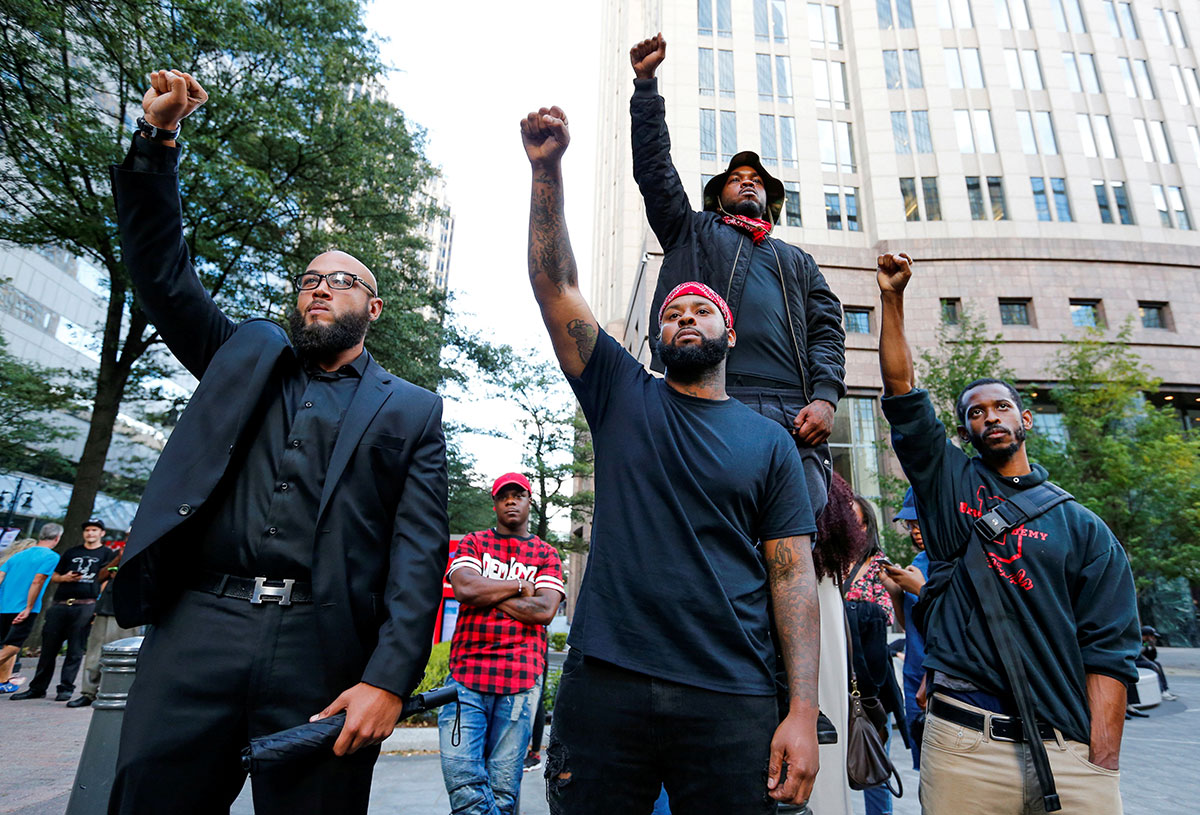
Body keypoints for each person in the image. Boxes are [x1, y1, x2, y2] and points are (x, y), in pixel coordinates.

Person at [105, 70, 448, 814]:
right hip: (198, 627)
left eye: (342, 280)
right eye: (309, 278)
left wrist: (388, 679)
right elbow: (162, 273)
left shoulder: (413, 410)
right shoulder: (244, 358)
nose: (320, 286)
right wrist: (158, 140)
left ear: (374, 308)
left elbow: (418, 555)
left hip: (322, 650)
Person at [521, 104, 820, 813]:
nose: (684, 316)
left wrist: (803, 711)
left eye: (701, 311)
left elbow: (793, 577)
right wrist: (546, 172)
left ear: (730, 334)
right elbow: (557, 287)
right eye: (672, 313)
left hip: (732, 692)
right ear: (657, 338)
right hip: (606, 684)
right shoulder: (621, 393)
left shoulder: (771, 442)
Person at [875, 252, 1141, 813]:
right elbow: (902, 392)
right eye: (975, 412)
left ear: (1025, 420)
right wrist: (892, 299)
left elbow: (1111, 647)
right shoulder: (949, 483)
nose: (990, 416)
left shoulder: (1083, 528)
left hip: (1068, 749)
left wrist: (1100, 758)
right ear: (965, 430)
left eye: (1002, 407)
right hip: (965, 745)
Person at [628, 33, 846, 519]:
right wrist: (646, 87)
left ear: (769, 201)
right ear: (718, 197)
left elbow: (828, 333)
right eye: (735, 179)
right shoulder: (690, 231)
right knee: (707, 528)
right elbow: (655, 171)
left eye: (757, 181)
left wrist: (826, 399)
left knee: (796, 528)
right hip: (711, 397)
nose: (747, 182)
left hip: (794, 412)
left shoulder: (798, 261)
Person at [439, 472, 565, 815]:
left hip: (520, 681)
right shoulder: (474, 542)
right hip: (466, 677)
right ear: (494, 503)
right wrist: (519, 586)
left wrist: (488, 593)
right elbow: (465, 589)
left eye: (518, 495)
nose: (511, 500)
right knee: (463, 782)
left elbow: (544, 610)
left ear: (528, 502)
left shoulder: (546, 553)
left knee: (503, 789)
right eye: (503, 496)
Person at [844, 496, 907, 815]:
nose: (850, 527)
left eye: (857, 521)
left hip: (871, 681)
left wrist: (847, 612)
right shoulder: (827, 561)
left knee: (873, 762)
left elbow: (884, 615)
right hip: (836, 676)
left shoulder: (880, 565)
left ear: (868, 525)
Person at [12, 520, 115, 702]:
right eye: (87, 530)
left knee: (75, 649)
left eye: (94, 530)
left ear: (102, 533)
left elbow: (106, 579)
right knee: (49, 648)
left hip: (86, 604)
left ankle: (66, 688)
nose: (90, 533)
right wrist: (65, 578)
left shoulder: (107, 554)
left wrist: (97, 606)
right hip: (61, 603)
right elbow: (54, 576)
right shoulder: (71, 552)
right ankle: (37, 687)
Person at [881, 488, 930, 771]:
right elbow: (912, 624)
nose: (915, 530)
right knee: (923, 770)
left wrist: (921, 590)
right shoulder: (918, 562)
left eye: (919, 522)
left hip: (941, 680)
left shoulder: (956, 560)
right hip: (914, 675)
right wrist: (896, 592)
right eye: (909, 525)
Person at [67, 550, 139, 708]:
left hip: (129, 610)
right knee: (94, 653)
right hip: (106, 607)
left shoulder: (148, 552)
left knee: (124, 655)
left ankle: (120, 693)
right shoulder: (115, 555)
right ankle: (88, 692)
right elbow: (98, 577)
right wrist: (117, 559)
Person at [0, 525, 64, 693]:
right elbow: (38, 580)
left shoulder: (18, 555)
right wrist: (28, 607)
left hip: (3, 606)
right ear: (57, 538)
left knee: (6, 645)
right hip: (23, 607)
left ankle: (3, 681)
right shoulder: (51, 556)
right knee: (13, 647)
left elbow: (0, 576)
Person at [1137, 626, 1176, 702]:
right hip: (1135, 662)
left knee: (1157, 664)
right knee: (1152, 665)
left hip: (1143, 661)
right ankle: (1161, 690)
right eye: (1151, 636)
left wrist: (1153, 647)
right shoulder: (1137, 642)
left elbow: (1152, 657)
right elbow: (1138, 654)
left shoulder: (1146, 644)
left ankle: (1165, 689)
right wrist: (1146, 645)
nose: (1153, 638)